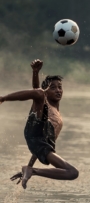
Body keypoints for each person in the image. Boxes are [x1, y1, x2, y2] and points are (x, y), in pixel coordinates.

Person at [1, 59, 79, 189]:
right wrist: (35, 73)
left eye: (60, 87)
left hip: (40, 141)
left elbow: (40, 146)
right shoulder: (44, 103)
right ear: (47, 91)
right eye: (53, 88)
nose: (58, 90)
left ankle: (32, 171)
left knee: (72, 173)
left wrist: (29, 166)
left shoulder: (58, 117)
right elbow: (37, 91)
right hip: (34, 127)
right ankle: (2, 98)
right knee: (38, 94)